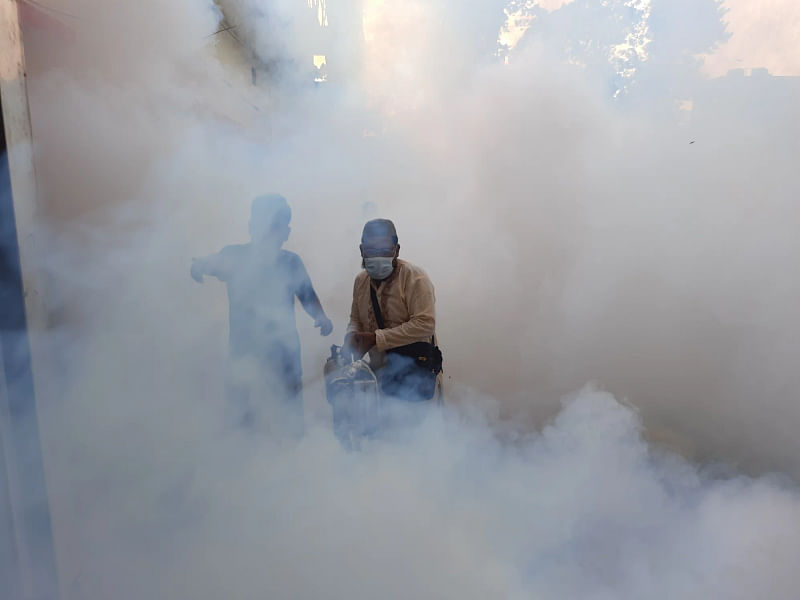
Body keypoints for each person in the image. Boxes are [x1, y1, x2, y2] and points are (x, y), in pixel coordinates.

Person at [191, 194, 333, 432]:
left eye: (276, 225)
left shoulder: (291, 262)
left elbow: (307, 295)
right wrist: (198, 266)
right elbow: (212, 263)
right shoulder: (235, 255)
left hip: (284, 354)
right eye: (264, 223)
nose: (269, 231)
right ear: (251, 227)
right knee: (242, 410)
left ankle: (292, 451)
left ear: (285, 233)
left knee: (289, 410)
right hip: (244, 352)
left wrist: (320, 317)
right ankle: (244, 454)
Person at [345, 219, 442, 403]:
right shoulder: (360, 281)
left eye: (384, 250)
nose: (377, 257)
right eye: (371, 251)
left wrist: (375, 338)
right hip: (378, 374)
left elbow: (425, 324)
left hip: (416, 375)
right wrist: (352, 336)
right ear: (361, 251)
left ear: (396, 250)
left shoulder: (415, 278)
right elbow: (355, 318)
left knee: (417, 428)